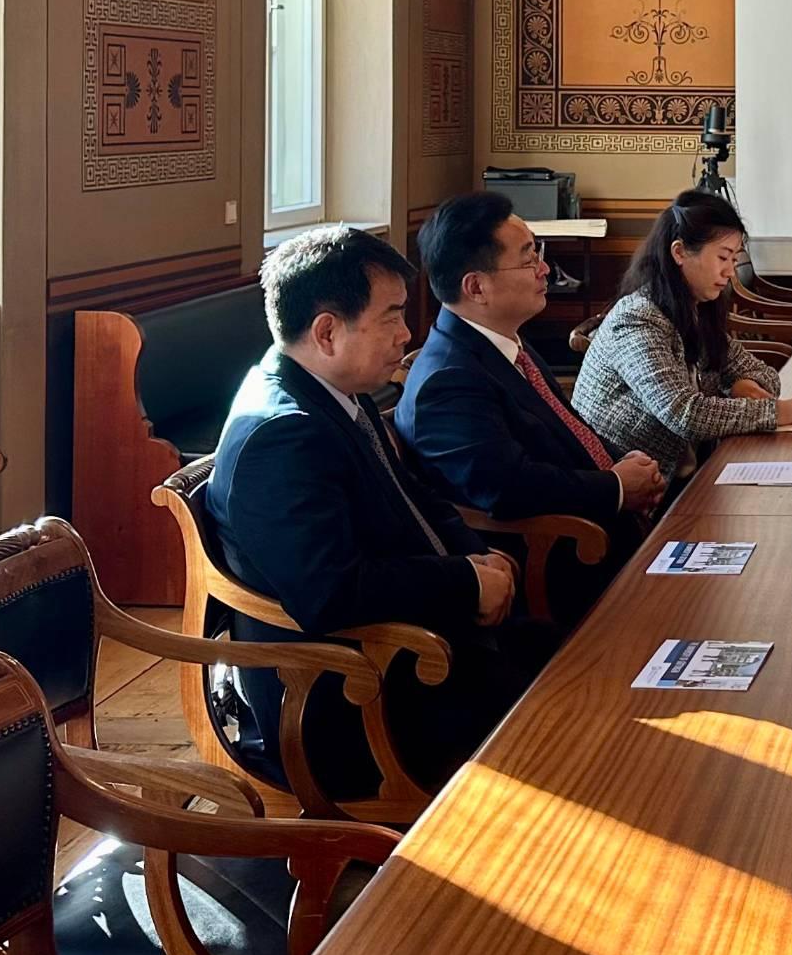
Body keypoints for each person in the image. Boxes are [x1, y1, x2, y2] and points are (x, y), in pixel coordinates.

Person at [206, 226, 546, 806]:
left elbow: (416, 496)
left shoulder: (335, 389)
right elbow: (331, 593)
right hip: (346, 697)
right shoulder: (281, 437)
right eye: (391, 316)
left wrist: (476, 556)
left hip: (407, 647)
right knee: (566, 714)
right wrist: (466, 582)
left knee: (577, 658)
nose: (407, 333)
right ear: (327, 332)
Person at [398, 192, 666, 622]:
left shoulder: (505, 343)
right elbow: (508, 487)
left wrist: (627, 462)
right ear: (476, 287)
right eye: (528, 259)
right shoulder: (448, 380)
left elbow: (567, 429)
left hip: (609, 533)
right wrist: (616, 487)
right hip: (561, 568)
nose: (544, 269)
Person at [573, 190, 792, 479]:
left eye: (734, 259)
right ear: (679, 253)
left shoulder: (696, 309)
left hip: (691, 473)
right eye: (723, 257)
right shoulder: (637, 319)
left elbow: (764, 374)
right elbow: (684, 414)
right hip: (628, 485)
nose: (730, 272)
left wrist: (741, 385)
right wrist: (783, 412)